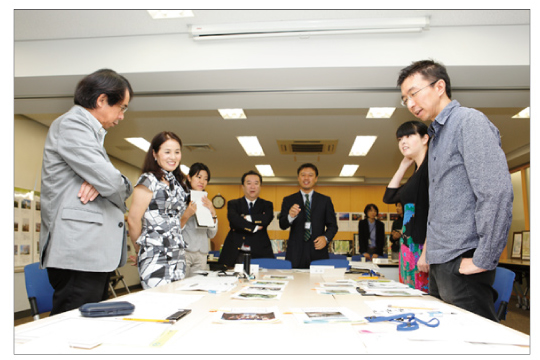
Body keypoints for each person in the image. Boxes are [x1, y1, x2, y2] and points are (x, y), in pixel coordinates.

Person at [397, 59, 513, 321]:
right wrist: (430, 252)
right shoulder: (437, 137)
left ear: (440, 86)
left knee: (476, 342)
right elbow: (439, 205)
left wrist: (484, 258)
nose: (410, 103)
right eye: (405, 98)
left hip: (463, 259)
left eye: (414, 93)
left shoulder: (468, 122)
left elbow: (495, 192)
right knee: (447, 336)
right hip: (441, 261)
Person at [39, 69, 133, 315]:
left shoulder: (91, 132)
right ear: (102, 100)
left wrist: (101, 179)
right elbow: (112, 183)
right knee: (72, 328)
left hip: (90, 253)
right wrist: (105, 179)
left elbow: (108, 181)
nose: (122, 116)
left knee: (90, 325)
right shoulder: (72, 124)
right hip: (78, 251)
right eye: (122, 107)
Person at [127, 131, 189, 289]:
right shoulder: (148, 180)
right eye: (167, 152)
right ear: (155, 154)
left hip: (177, 253)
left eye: (177, 152)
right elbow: (133, 220)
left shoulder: (178, 183)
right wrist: (139, 249)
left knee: (177, 303)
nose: (173, 157)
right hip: (154, 251)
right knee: (158, 302)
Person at [383, 121, 430, 292]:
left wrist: (427, 252)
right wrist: (403, 165)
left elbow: (436, 214)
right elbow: (389, 197)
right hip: (407, 245)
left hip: (422, 246)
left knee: (423, 298)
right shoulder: (415, 174)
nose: (403, 141)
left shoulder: (431, 169)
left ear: (425, 138)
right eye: (400, 138)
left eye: (409, 136)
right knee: (409, 295)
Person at [279, 163, 338, 268]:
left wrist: (325, 238)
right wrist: (290, 216)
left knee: (318, 282)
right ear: (298, 178)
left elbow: (333, 226)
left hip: (318, 250)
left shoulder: (325, 200)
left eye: (310, 175)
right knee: (295, 283)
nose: (306, 178)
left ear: (316, 179)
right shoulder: (288, 200)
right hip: (295, 252)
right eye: (303, 175)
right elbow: (282, 224)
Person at [218, 171, 275, 267]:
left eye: (256, 183)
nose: (252, 187)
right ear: (243, 186)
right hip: (235, 252)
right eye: (249, 183)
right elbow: (234, 221)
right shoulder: (233, 204)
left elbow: (266, 220)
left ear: (260, 186)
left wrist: (245, 218)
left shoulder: (267, 205)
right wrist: (255, 227)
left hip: (260, 252)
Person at [181, 163, 218, 277]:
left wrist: (213, 212)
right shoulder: (179, 199)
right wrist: (186, 215)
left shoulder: (206, 202)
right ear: (189, 177)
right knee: (181, 287)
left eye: (205, 179)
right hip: (184, 251)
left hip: (201, 252)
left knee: (198, 286)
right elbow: (173, 229)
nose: (202, 181)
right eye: (198, 177)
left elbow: (211, 234)